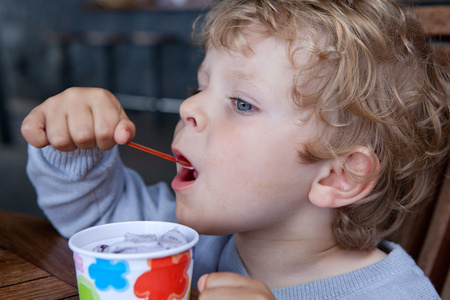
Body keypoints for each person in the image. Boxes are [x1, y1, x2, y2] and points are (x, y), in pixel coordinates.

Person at [22, 0, 449, 299]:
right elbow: (97, 220)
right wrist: (75, 147)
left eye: (242, 103)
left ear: (340, 175)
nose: (188, 106)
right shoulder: (191, 240)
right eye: (201, 87)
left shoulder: (395, 294)